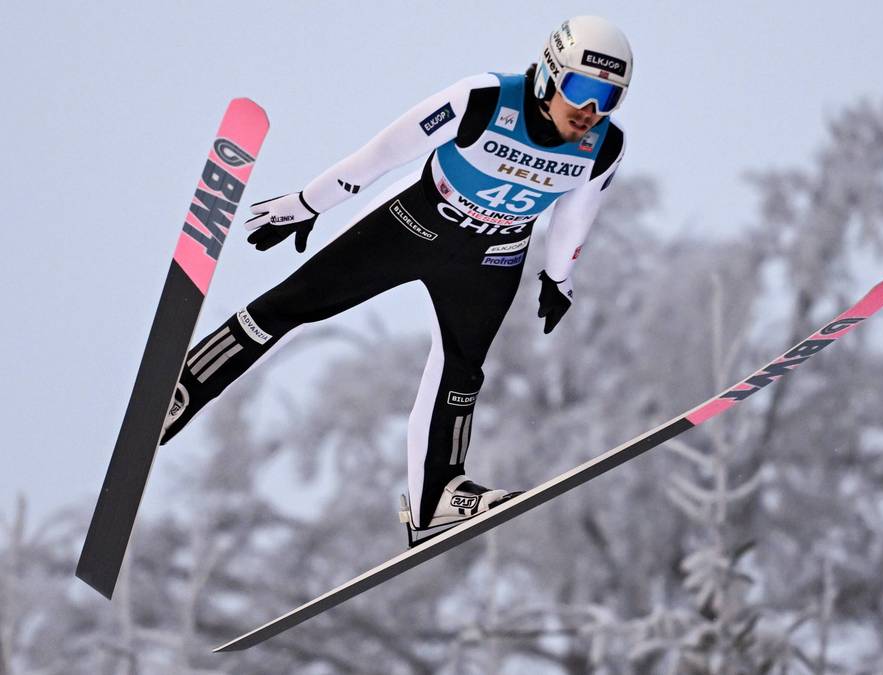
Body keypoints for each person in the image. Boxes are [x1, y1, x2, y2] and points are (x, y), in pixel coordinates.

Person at [160, 15, 631, 536]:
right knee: (286, 306)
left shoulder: (604, 147)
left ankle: (437, 497)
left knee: (462, 373)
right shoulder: (483, 99)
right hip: (414, 225)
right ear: (548, 75)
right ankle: (182, 388)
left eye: (608, 98)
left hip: (493, 257)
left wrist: (558, 278)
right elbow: (384, 153)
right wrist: (309, 203)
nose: (590, 112)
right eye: (582, 90)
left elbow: (576, 213)